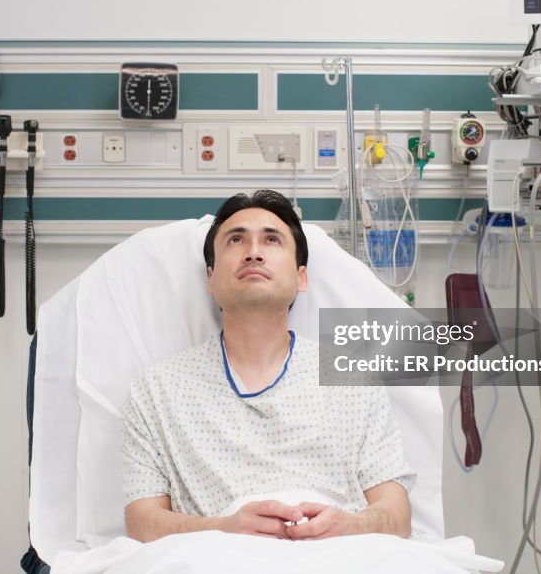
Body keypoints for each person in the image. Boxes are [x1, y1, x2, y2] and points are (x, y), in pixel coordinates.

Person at [120, 190, 415, 542]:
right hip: (214, 560)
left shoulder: (352, 379)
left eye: (272, 240)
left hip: (336, 556)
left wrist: (350, 525)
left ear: (301, 278)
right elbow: (141, 523)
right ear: (211, 280)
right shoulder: (158, 389)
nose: (254, 252)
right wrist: (223, 529)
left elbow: (397, 518)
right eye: (235, 240)